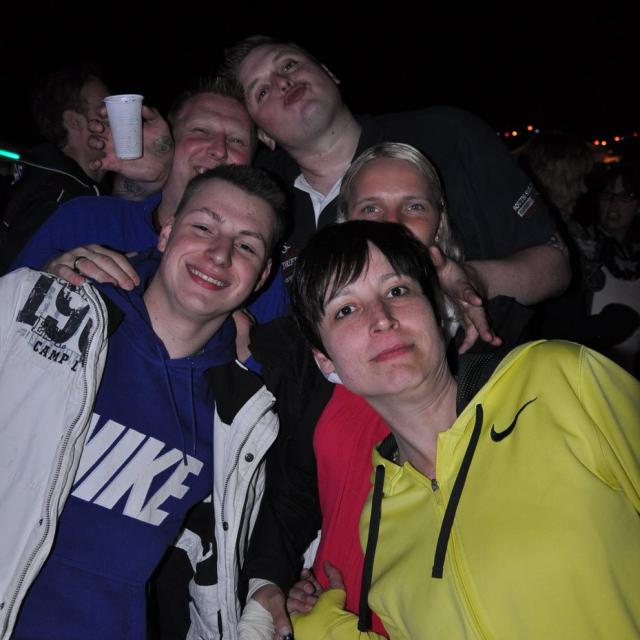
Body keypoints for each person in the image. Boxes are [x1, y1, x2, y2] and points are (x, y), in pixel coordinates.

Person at [287, 220, 640, 639]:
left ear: (438, 311)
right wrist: (320, 627)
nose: (381, 319)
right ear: (325, 360)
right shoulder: (379, 521)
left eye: (397, 291)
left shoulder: (559, 381)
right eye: (345, 309)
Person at [0, 165, 286, 640]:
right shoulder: (39, 312)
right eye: (204, 227)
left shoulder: (241, 417)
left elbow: (217, 569)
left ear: (261, 277)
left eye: (246, 246)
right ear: (166, 233)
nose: (219, 254)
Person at [221, 35, 570, 330]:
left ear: (329, 73)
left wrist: (475, 279)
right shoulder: (263, 201)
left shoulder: (447, 135)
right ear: (263, 136)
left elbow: (555, 264)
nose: (282, 82)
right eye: (261, 91)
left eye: (288, 65)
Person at [10, 76, 288, 334]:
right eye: (201, 131)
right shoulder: (84, 219)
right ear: (168, 144)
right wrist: (44, 281)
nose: (219, 149)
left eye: (237, 140)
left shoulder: (250, 270)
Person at [0, 63, 111, 271]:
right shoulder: (52, 195)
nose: (117, 115)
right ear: (74, 121)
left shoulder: (84, 191)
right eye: (105, 108)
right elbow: (23, 277)